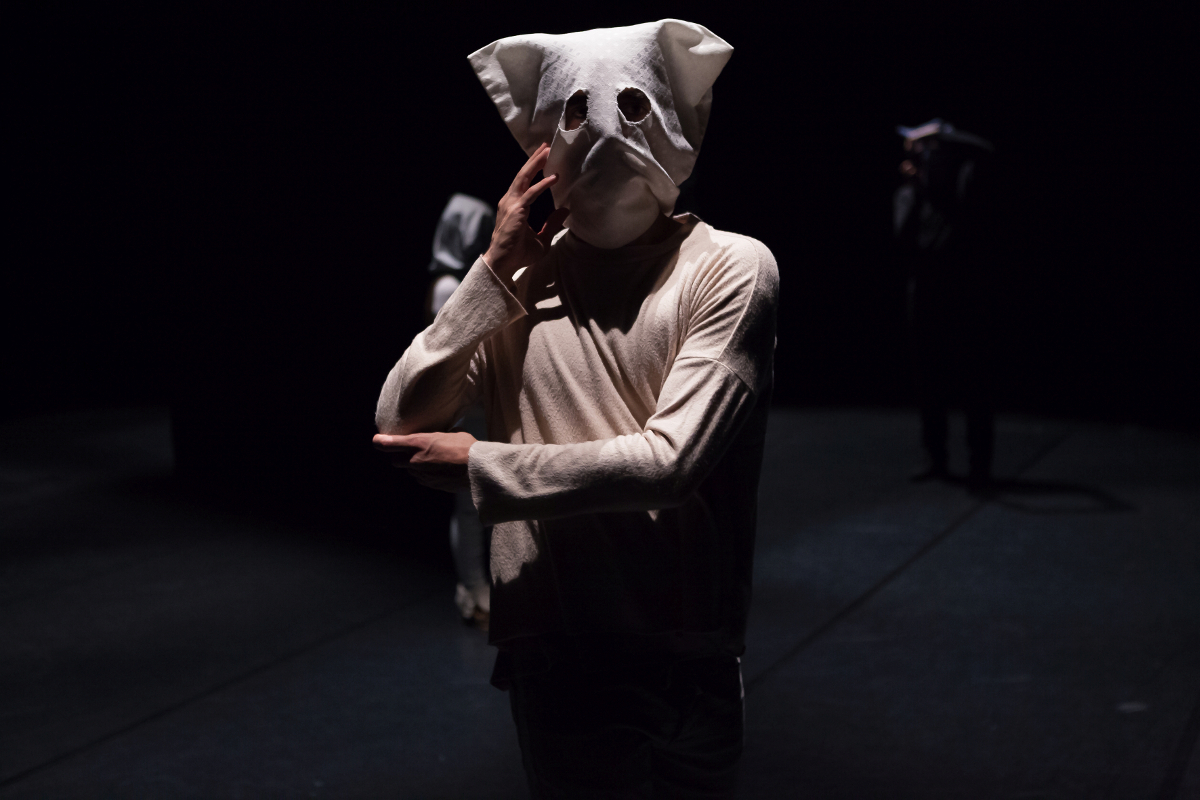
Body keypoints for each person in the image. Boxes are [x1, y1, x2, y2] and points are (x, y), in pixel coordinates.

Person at [374, 20, 777, 797]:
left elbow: (670, 463)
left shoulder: (730, 268)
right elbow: (399, 418)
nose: (605, 132)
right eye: (576, 111)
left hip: (687, 659)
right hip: (562, 660)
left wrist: (484, 466)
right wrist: (492, 272)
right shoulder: (520, 286)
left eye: (632, 105)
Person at [893, 118, 997, 491]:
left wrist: (941, 132)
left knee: (974, 381)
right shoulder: (910, 195)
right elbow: (901, 240)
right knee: (928, 380)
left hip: (965, 293)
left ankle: (980, 464)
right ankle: (935, 457)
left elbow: (985, 151)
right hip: (924, 294)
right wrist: (916, 188)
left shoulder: (963, 189)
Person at [426, 193, 496, 629]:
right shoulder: (449, 285)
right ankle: (473, 588)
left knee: (478, 500)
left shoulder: (461, 279)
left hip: (479, 399)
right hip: (469, 402)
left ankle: (478, 587)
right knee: (470, 503)